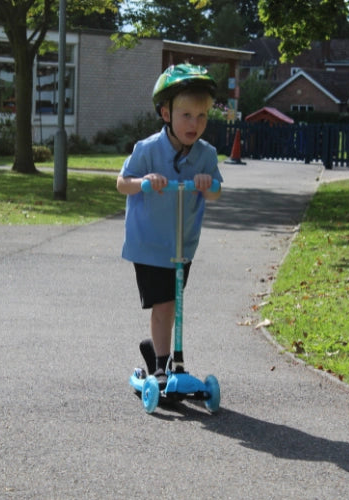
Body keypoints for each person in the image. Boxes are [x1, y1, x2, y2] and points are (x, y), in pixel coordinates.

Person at [117, 63, 223, 388]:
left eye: (202, 116)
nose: (195, 123)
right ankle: (163, 366)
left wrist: (208, 184)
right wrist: (144, 181)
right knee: (163, 304)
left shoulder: (206, 154)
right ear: (166, 113)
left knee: (173, 303)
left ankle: (158, 354)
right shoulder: (147, 149)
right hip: (149, 244)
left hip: (182, 245)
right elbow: (122, 183)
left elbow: (216, 192)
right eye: (186, 115)